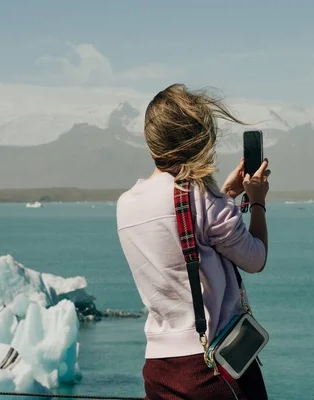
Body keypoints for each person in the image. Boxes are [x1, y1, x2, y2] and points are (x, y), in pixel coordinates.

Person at [116, 83, 270, 400]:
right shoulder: (203, 199)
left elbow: (183, 235)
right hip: (214, 368)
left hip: (159, 369)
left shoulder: (126, 204)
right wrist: (256, 201)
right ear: (200, 140)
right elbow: (255, 258)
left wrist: (226, 195)